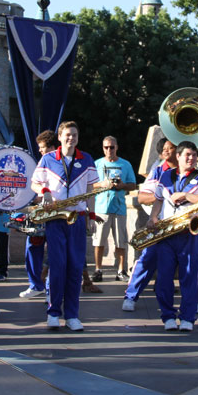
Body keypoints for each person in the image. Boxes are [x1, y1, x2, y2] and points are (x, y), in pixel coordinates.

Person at [30, 121, 106, 331]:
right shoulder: (48, 159)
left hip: (78, 218)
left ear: (77, 138)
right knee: (57, 266)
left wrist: (90, 215)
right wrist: (44, 191)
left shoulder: (87, 159)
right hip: (56, 218)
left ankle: (72, 315)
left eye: (74, 135)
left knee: (75, 267)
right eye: (67, 135)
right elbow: (33, 183)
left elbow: (90, 189)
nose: (70, 138)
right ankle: (53, 313)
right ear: (60, 137)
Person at [146, 140, 198, 332]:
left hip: (190, 234)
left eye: (194, 155)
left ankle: (187, 318)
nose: (191, 158)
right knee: (164, 278)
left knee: (190, 278)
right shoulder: (165, 175)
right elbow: (158, 200)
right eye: (187, 155)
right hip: (167, 234)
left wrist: (185, 196)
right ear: (178, 156)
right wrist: (153, 217)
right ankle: (167, 316)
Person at [122, 137, 177, 312]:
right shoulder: (158, 170)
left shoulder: (190, 170)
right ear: (161, 153)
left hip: (182, 226)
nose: (169, 151)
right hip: (161, 224)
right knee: (147, 259)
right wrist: (163, 195)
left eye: (172, 148)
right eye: (166, 149)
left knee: (194, 262)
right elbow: (142, 197)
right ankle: (131, 296)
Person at [92, 135, 137, 282]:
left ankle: (121, 270)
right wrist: (102, 184)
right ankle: (98, 269)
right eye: (106, 147)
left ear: (117, 147)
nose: (109, 150)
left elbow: (133, 185)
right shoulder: (97, 164)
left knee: (121, 241)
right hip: (101, 208)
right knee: (99, 241)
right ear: (103, 148)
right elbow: (89, 185)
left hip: (119, 208)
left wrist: (122, 185)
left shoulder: (126, 165)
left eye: (112, 147)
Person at [19, 130, 56, 299]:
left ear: (52, 147)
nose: (40, 151)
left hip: (58, 213)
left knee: (57, 254)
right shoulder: (43, 161)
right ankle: (36, 285)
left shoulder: (62, 162)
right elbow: (35, 184)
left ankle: (53, 290)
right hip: (42, 213)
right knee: (33, 247)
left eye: (42, 148)